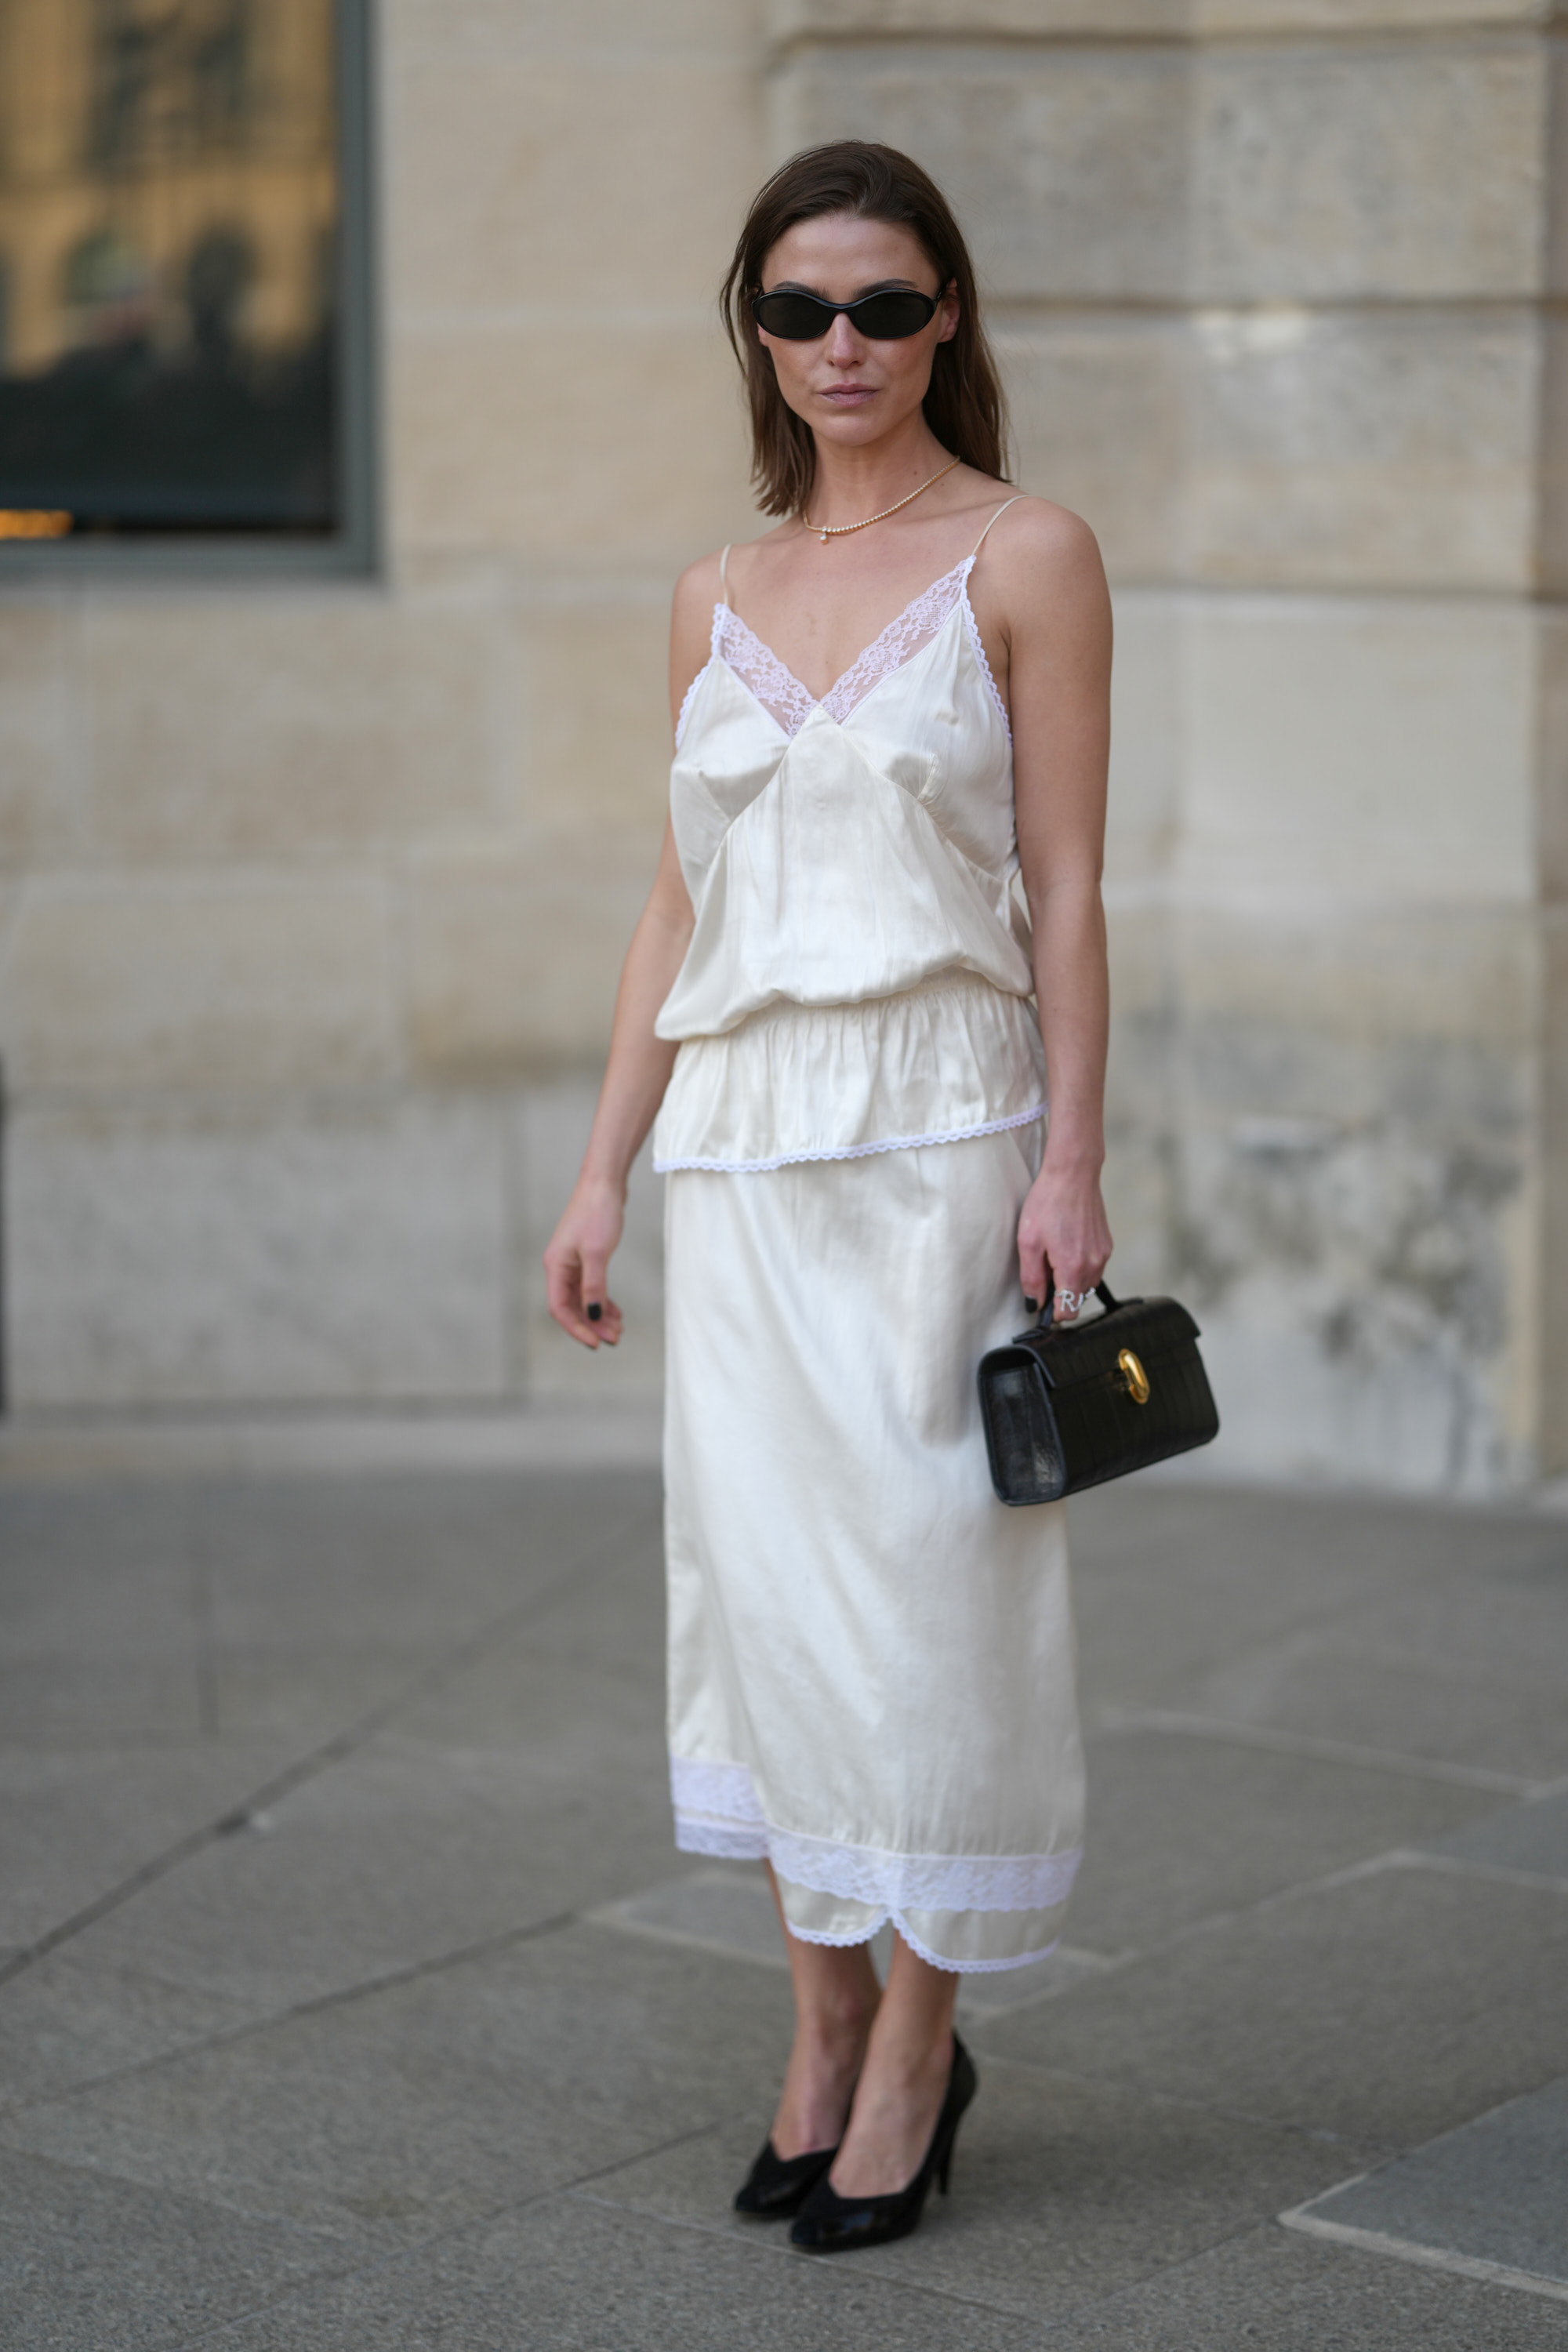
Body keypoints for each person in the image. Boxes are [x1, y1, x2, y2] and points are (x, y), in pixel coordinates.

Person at [544, 140, 1112, 2254]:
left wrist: (1075, 1156)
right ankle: (822, 2021)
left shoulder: (1029, 555)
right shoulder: (714, 592)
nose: (843, 344)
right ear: (758, 335)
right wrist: (600, 1170)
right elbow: (678, 904)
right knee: (766, 1593)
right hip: (739, 1150)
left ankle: (918, 2050)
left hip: (943, 1132)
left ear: (945, 314)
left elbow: (1067, 887)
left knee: (937, 1593)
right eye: (800, 310)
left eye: (882, 304)